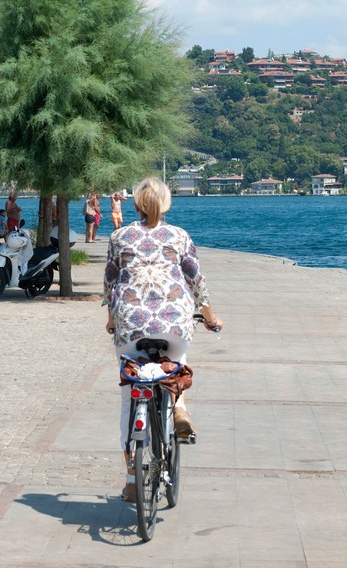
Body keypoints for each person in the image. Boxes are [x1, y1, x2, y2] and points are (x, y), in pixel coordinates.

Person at [104, 176, 221, 501]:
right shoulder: (179, 236)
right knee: (175, 365)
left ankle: (131, 479)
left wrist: (112, 319)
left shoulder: (118, 236)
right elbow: (196, 280)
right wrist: (210, 317)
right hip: (174, 321)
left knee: (130, 395)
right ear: (166, 204)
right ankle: (179, 406)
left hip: (130, 323)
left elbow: (111, 280)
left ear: (137, 204)